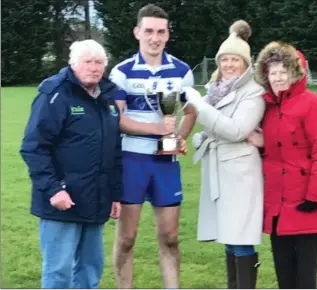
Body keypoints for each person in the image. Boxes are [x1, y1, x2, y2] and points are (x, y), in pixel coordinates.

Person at [20, 39, 122, 289]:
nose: (94, 67)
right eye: (88, 61)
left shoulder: (107, 98)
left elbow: (114, 152)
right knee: (59, 272)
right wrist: (54, 189)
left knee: (90, 269)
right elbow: (34, 147)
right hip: (62, 201)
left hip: (96, 199)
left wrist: (115, 194)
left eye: (99, 62)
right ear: (73, 64)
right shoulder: (55, 94)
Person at [108, 4, 196, 289]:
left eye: (160, 31)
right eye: (148, 31)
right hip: (131, 161)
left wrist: (178, 137)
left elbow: (192, 110)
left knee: (170, 237)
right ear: (137, 32)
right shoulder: (122, 72)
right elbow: (118, 120)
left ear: (168, 34)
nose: (154, 38)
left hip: (165, 165)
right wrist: (156, 129)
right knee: (127, 238)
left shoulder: (181, 70)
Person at [248, 41, 317, 289]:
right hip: (278, 206)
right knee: (284, 272)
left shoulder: (312, 103)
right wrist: (262, 144)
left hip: (306, 202)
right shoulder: (267, 107)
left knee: (305, 275)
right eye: (272, 72)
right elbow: (282, 149)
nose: (277, 78)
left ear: (295, 72)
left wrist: (316, 195)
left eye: (282, 71)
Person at [183, 20, 265, 289]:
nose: (228, 65)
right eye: (224, 59)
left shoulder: (253, 93)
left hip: (241, 175)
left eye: (235, 59)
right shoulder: (216, 90)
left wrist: (198, 105)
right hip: (221, 171)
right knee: (230, 241)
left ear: (246, 64)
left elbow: (236, 130)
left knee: (241, 240)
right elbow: (214, 127)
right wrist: (201, 137)